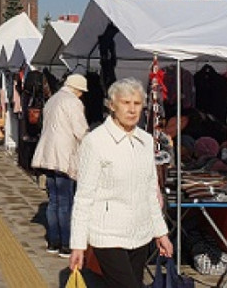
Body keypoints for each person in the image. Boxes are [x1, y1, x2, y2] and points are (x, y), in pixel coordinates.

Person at [69, 78, 173, 287]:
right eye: (126, 103)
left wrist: (160, 233)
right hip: (108, 234)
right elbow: (84, 196)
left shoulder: (145, 141)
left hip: (140, 233)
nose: (132, 109)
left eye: (136, 103)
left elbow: (150, 191)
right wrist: (78, 245)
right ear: (112, 105)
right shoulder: (96, 141)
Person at [31, 73, 90, 258]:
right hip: (64, 154)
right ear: (77, 89)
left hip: (48, 152)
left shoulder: (53, 99)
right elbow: (80, 129)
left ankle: (53, 241)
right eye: (82, 92)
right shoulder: (73, 102)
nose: (82, 95)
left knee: (54, 199)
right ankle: (66, 244)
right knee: (65, 200)